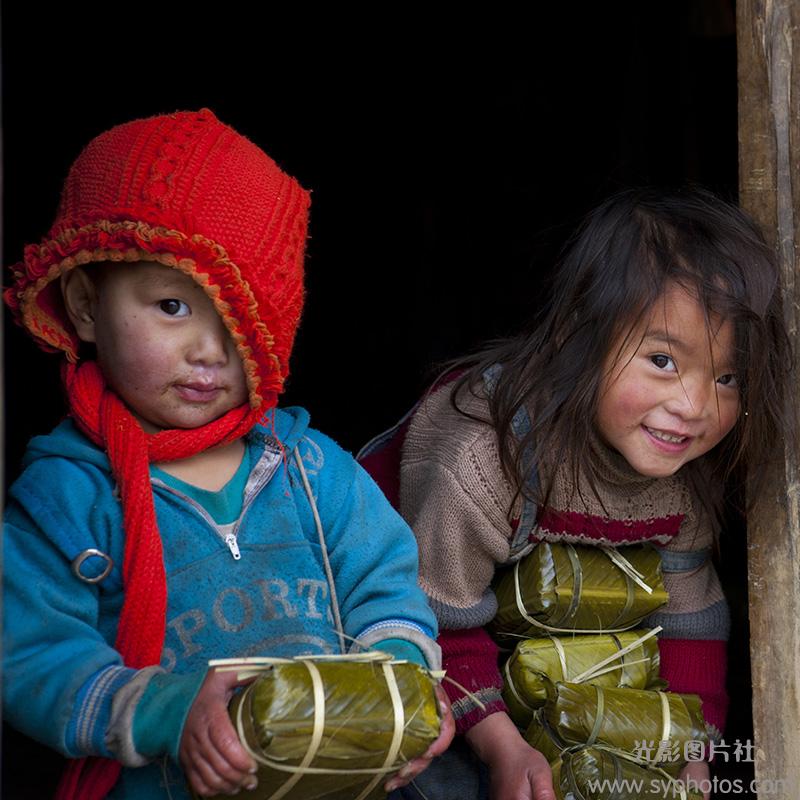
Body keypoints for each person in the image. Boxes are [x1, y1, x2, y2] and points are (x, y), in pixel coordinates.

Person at [2, 109, 452, 800]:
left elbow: (385, 589)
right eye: (173, 307)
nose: (211, 352)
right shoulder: (68, 496)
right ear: (87, 304)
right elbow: (27, 657)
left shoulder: (312, 471)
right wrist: (168, 713)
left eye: (243, 322)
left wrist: (397, 691)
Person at [370, 188, 790, 800]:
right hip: (402, 626)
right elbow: (438, 615)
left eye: (727, 377)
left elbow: (688, 621)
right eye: (663, 362)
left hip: (538, 643)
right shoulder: (486, 453)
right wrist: (502, 746)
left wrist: (692, 751)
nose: (696, 407)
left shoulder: (682, 469)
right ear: (580, 338)